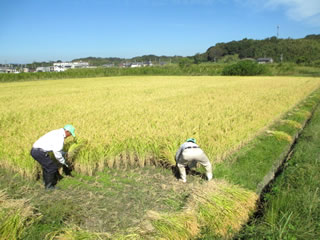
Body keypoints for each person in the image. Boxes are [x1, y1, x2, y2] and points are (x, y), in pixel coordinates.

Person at [30, 124, 75, 190]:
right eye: (70, 134)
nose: (69, 136)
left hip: (36, 151)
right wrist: (64, 162)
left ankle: (46, 182)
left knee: (47, 166)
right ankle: (49, 186)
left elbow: (56, 149)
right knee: (51, 167)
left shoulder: (57, 132)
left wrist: (64, 153)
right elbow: (57, 153)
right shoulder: (60, 137)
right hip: (39, 152)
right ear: (67, 131)